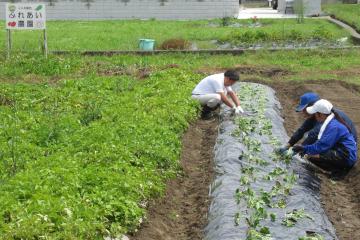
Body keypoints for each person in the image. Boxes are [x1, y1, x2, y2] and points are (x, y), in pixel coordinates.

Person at [277, 92, 357, 153]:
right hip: (336, 141)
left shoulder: (325, 118)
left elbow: (313, 135)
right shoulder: (318, 115)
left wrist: (296, 150)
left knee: (310, 154)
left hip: (344, 149)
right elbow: (302, 129)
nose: (304, 113)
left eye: (304, 110)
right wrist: (288, 145)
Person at [291, 99, 357, 172]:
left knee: (311, 155)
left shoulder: (334, 127)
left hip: (346, 156)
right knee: (310, 155)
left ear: (321, 114)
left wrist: (303, 148)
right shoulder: (329, 122)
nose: (314, 117)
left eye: (315, 114)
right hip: (339, 151)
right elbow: (320, 143)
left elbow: (321, 147)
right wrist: (304, 148)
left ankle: (338, 170)